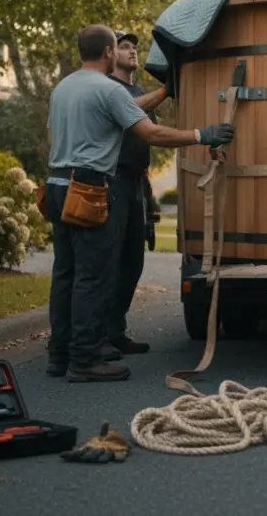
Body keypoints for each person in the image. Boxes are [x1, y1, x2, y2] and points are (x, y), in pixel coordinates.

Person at [44, 25, 235, 382]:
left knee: (66, 272)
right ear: (107, 53)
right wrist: (201, 135)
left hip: (56, 184)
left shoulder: (63, 88)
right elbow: (152, 134)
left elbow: (52, 136)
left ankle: (60, 354)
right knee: (92, 275)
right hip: (88, 187)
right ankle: (84, 360)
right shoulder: (108, 89)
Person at [103, 29, 165, 357]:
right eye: (124, 47)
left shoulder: (137, 88)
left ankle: (116, 329)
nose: (131, 52)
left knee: (133, 260)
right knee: (111, 259)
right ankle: (102, 334)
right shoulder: (110, 90)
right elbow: (137, 110)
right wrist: (170, 87)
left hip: (137, 183)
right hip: (113, 181)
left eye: (133, 48)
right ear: (109, 54)